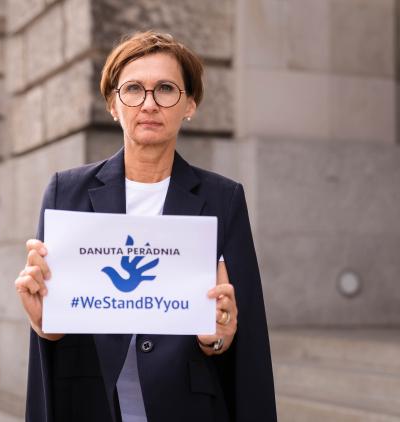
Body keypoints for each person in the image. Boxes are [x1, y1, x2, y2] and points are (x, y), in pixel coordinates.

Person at [14, 31, 277, 422]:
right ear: (112, 104)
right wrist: (46, 325)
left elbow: (243, 337)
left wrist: (218, 337)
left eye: (166, 89)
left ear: (190, 104)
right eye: (133, 89)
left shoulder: (224, 199)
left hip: (187, 407)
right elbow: (55, 324)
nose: (149, 104)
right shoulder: (65, 192)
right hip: (90, 401)